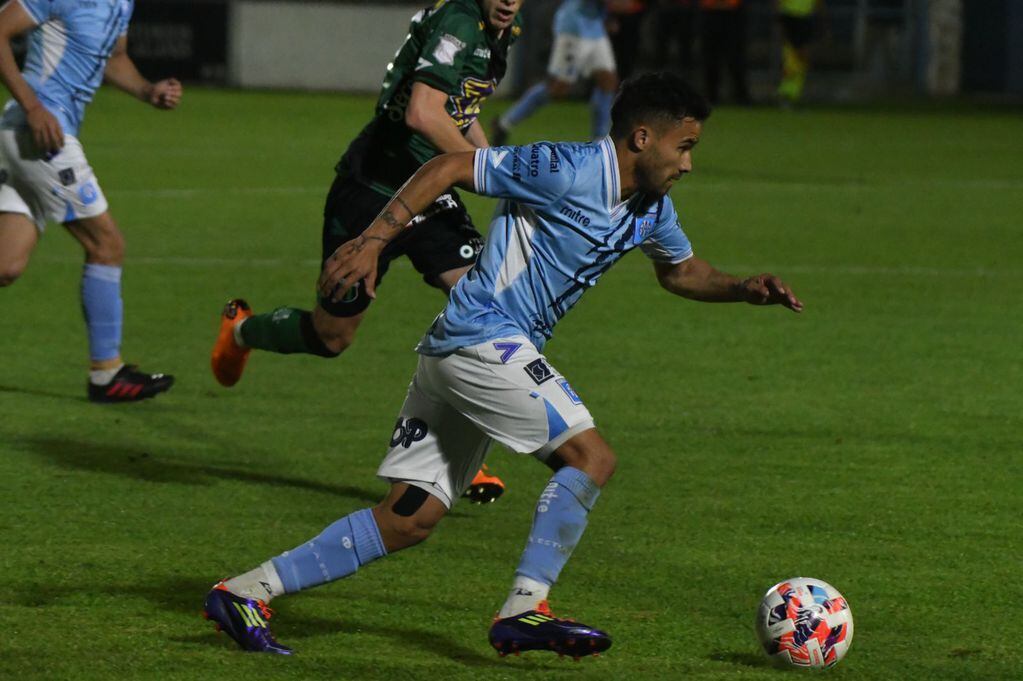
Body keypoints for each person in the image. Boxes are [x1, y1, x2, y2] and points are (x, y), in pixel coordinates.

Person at [201, 72, 803, 658]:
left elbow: (680, 271)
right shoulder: (563, 168)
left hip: (462, 353)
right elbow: (447, 167)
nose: (689, 164)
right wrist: (374, 241)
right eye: (685, 146)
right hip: (482, 338)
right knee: (592, 458)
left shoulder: (651, 208)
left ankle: (246, 592)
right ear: (642, 138)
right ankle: (524, 609)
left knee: (409, 518)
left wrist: (742, 287)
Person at [210, 0, 524, 503]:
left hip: (429, 189)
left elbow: (460, 114)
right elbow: (424, 112)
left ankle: (452, 449)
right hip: (374, 187)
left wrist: (501, 173)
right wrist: (488, 171)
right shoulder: (460, 22)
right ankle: (241, 331)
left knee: (483, 302)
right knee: (331, 336)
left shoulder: (498, 29)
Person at [0, 0, 181, 402]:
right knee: (107, 245)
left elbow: (113, 58)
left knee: (7, 265)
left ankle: (107, 373)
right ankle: (106, 372)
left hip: (37, 135)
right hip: (43, 133)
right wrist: (32, 105)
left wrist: (147, 90)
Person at [491, 0, 618, 145]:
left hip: (596, 29)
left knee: (607, 80)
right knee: (558, 87)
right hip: (574, 27)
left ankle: (599, 140)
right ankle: (503, 124)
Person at [698, 0, 751, 105]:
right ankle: (712, 95)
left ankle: (740, 96)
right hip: (712, 14)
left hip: (731, 15)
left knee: (735, 58)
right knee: (711, 59)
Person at [776, 0, 825, 106]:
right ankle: (787, 93)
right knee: (796, 56)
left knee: (796, 57)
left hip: (802, 16)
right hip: (792, 16)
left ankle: (790, 94)